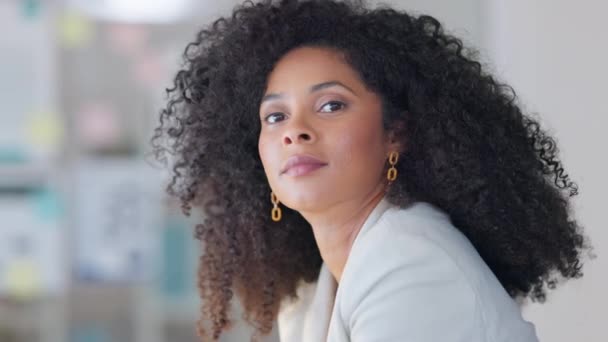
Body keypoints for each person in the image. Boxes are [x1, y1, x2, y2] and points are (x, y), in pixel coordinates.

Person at [151, 0, 591, 341]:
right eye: (275, 116)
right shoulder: (317, 287)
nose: (295, 132)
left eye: (331, 105)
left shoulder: (413, 263)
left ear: (395, 134)